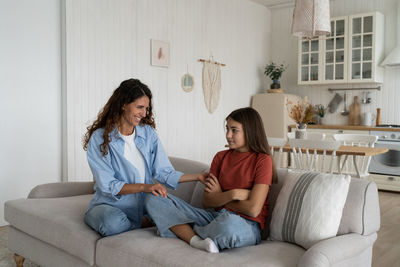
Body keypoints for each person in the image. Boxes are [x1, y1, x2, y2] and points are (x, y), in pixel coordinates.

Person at [82, 78, 207, 237]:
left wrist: (198, 176)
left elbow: (163, 172)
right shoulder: (100, 138)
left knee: (174, 208)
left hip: (144, 205)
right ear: (123, 104)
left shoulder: (148, 134)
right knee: (111, 223)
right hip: (110, 205)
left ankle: (149, 220)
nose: (144, 113)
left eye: (146, 108)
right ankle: (144, 222)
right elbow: (108, 185)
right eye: (139, 107)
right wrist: (145, 187)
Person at [145, 107, 277, 253]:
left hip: (245, 225)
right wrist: (234, 194)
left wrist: (221, 197)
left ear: (250, 131)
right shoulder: (220, 157)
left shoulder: (263, 160)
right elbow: (207, 201)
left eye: (234, 130)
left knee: (229, 226)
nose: (228, 135)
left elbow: (253, 209)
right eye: (227, 129)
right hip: (213, 218)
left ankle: (178, 230)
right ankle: (188, 234)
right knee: (153, 197)